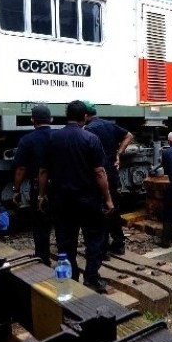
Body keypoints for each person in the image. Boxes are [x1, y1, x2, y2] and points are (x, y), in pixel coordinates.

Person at [38, 100, 114, 294]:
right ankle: (91, 278)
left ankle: (71, 278)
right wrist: (108, 198)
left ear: (67, 115)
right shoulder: (90, 138)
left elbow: (43, 171)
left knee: (65, 240)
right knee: (95, 238)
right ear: (85, 117)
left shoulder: (52, 139)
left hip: (61, 200)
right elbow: (99, 172)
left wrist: (41, 196)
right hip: (88, 199)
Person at [83, 100, 134, 256]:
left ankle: (102, 248)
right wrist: (118, 153)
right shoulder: (109, 125)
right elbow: (129, 135)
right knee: (114, 207)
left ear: (85, 115)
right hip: (111, 172)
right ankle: (119, 243)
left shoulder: (88, 130)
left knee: (99, 210)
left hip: (98, 175)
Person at [12, 104, 54, 265]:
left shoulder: (27, 140)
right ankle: (67, 259)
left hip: (38, 188)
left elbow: (21, 168)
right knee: (63, 224)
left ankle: (43, 259)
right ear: (51, 119)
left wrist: (16, 190)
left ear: (32, 120)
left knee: (40, 225)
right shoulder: (58, 136)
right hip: (60, 187)